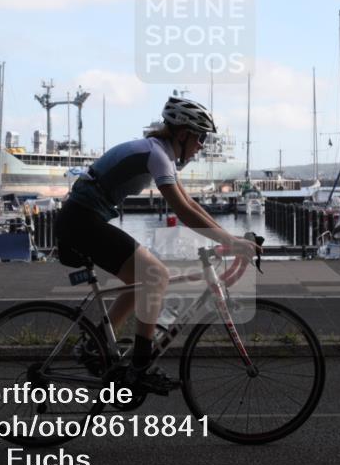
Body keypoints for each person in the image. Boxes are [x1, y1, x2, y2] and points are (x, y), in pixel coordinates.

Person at [55, 96, 260, 394]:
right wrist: (230, 241)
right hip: (81, 221)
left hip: (83, 219)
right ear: (182, 133)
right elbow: (183, 210)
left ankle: (95, 346)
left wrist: (232, 239)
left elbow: (189, 202)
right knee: (156, 275)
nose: (202, 145)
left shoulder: (158, 152)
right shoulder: (157, 154)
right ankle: (140, 367)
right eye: (200, 137)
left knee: (140, 281)